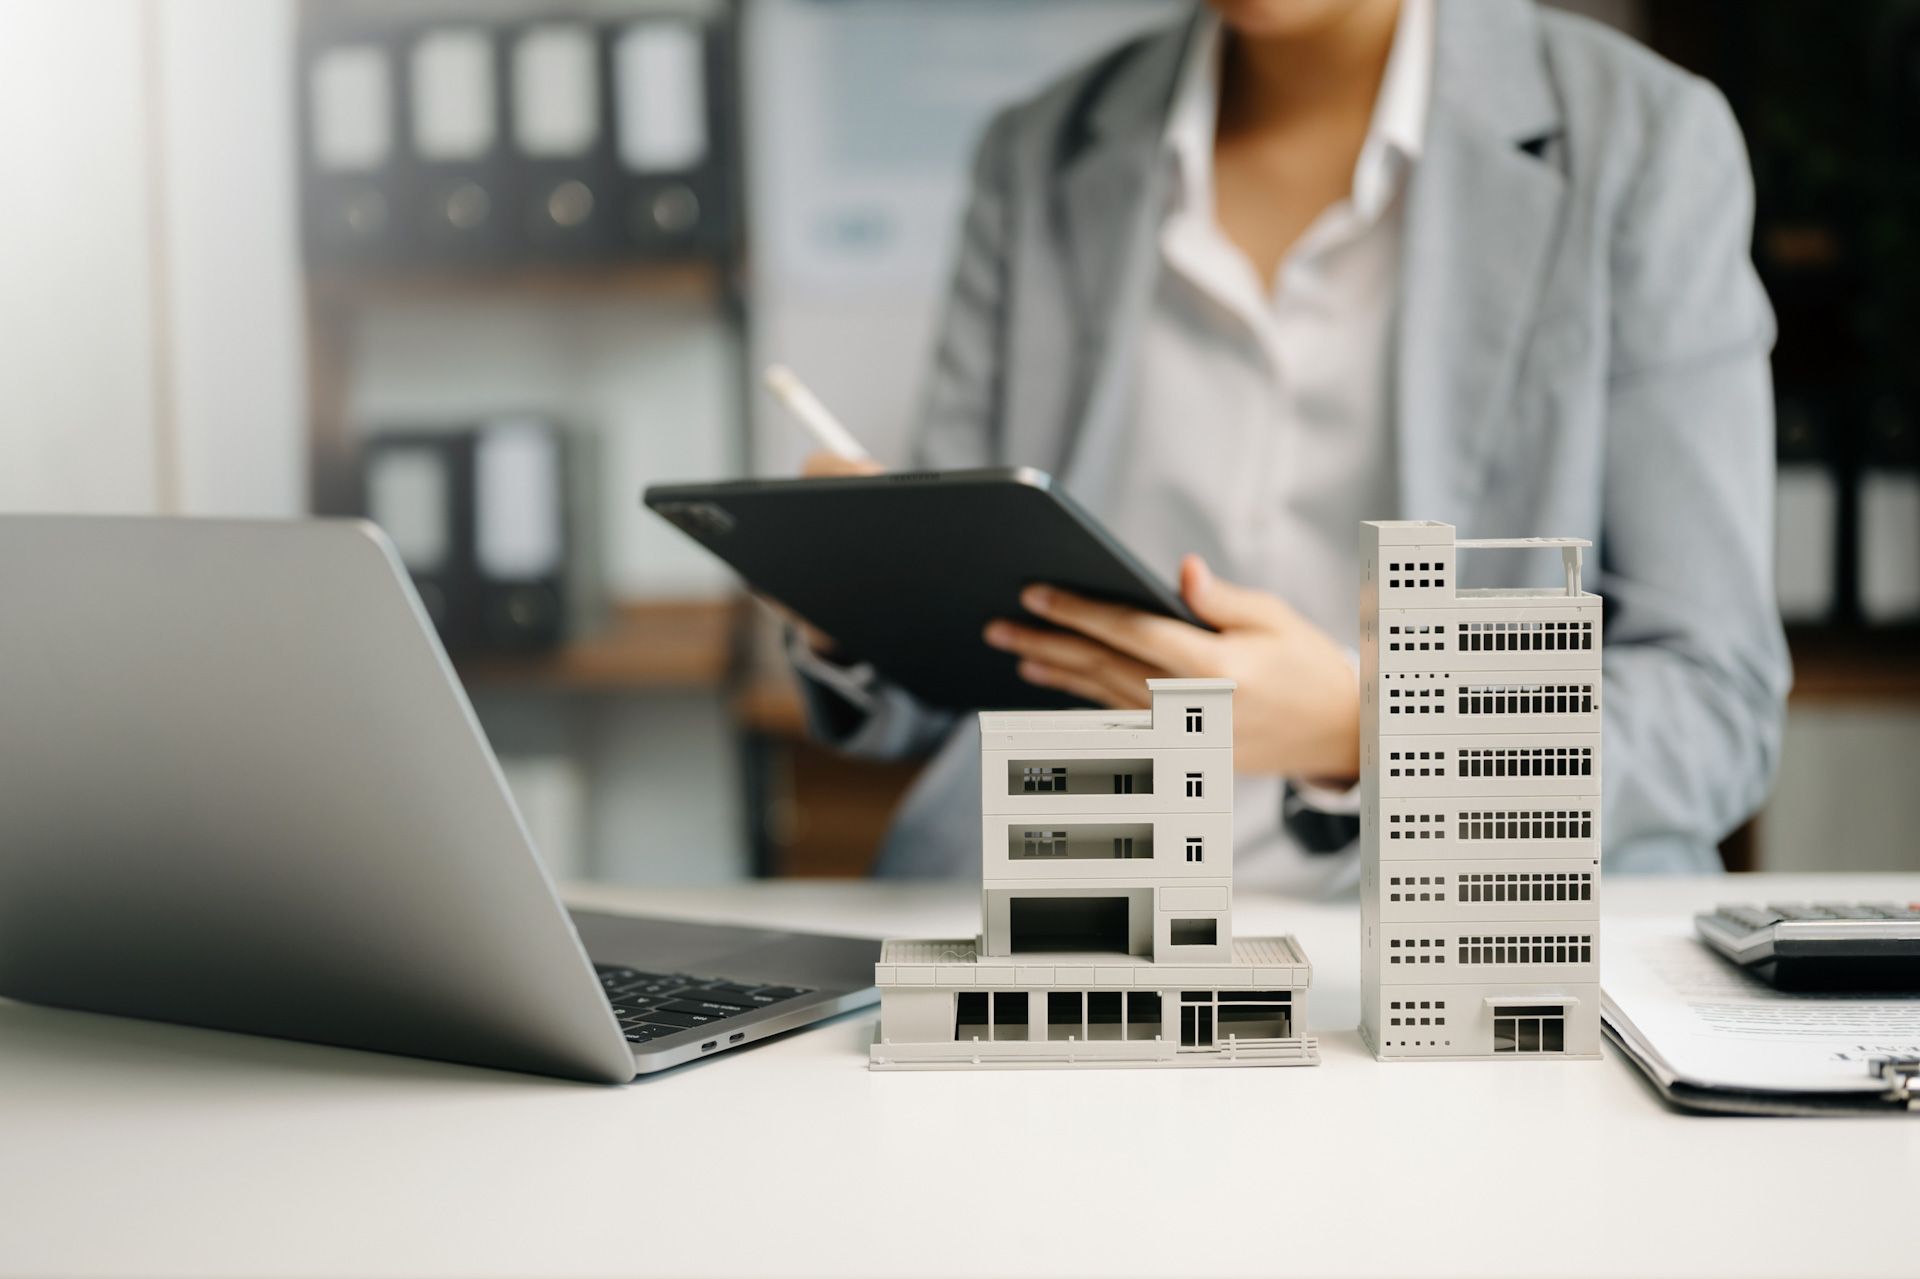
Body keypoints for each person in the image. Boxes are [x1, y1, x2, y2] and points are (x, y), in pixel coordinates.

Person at [787, 0, 1790, 890]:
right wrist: (858, 594)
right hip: (1061, 911)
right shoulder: (1038, 150)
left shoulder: (1643, 140)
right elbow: (961, 674)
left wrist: (1371, 735)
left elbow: (1712, 700)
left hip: (1449, 939)